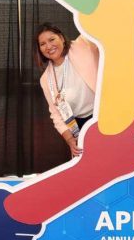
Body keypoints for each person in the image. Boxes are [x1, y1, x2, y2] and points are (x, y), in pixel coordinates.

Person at [34, 23, 99, 158]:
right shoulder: (46, 79)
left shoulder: (82, 46)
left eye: (52, 39)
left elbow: (95, 27)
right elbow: (56, 115)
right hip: (78, 126)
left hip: (103, 115)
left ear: (62, 38)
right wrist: (70, 140)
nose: (49, 46)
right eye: (43, 44)